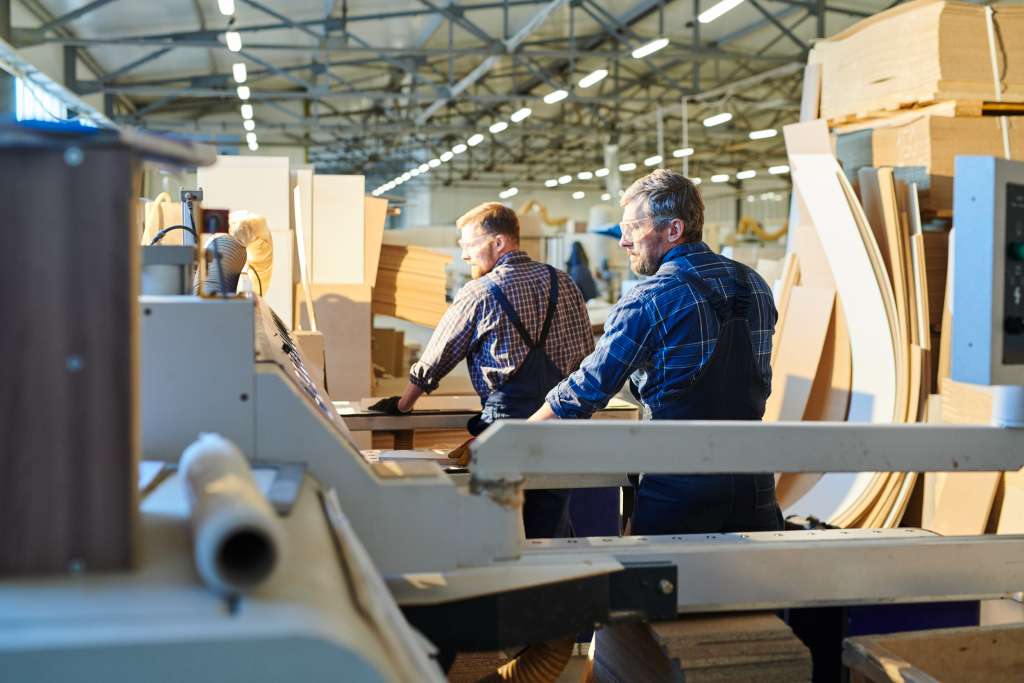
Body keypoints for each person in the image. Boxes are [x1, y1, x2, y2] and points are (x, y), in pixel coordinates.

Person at [529, 169, 783, 535]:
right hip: (754, 482)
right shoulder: (754, 285)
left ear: (673, 230)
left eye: (633, 228)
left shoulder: (649, 299)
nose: (623, 241)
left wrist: (519, 435)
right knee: (748, 588)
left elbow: (587, 389)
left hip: (681, 483)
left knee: (663, 588)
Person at [369, 202, 595, 537]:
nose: (465, 256)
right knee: (550, 527)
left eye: (470, 246)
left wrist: (403, 405)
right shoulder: (563, 283)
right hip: (559, 428)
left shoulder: (479, 293)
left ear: (500, 243)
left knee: (502, 527)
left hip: (503, 430)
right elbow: (588, 358)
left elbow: (436, 359)